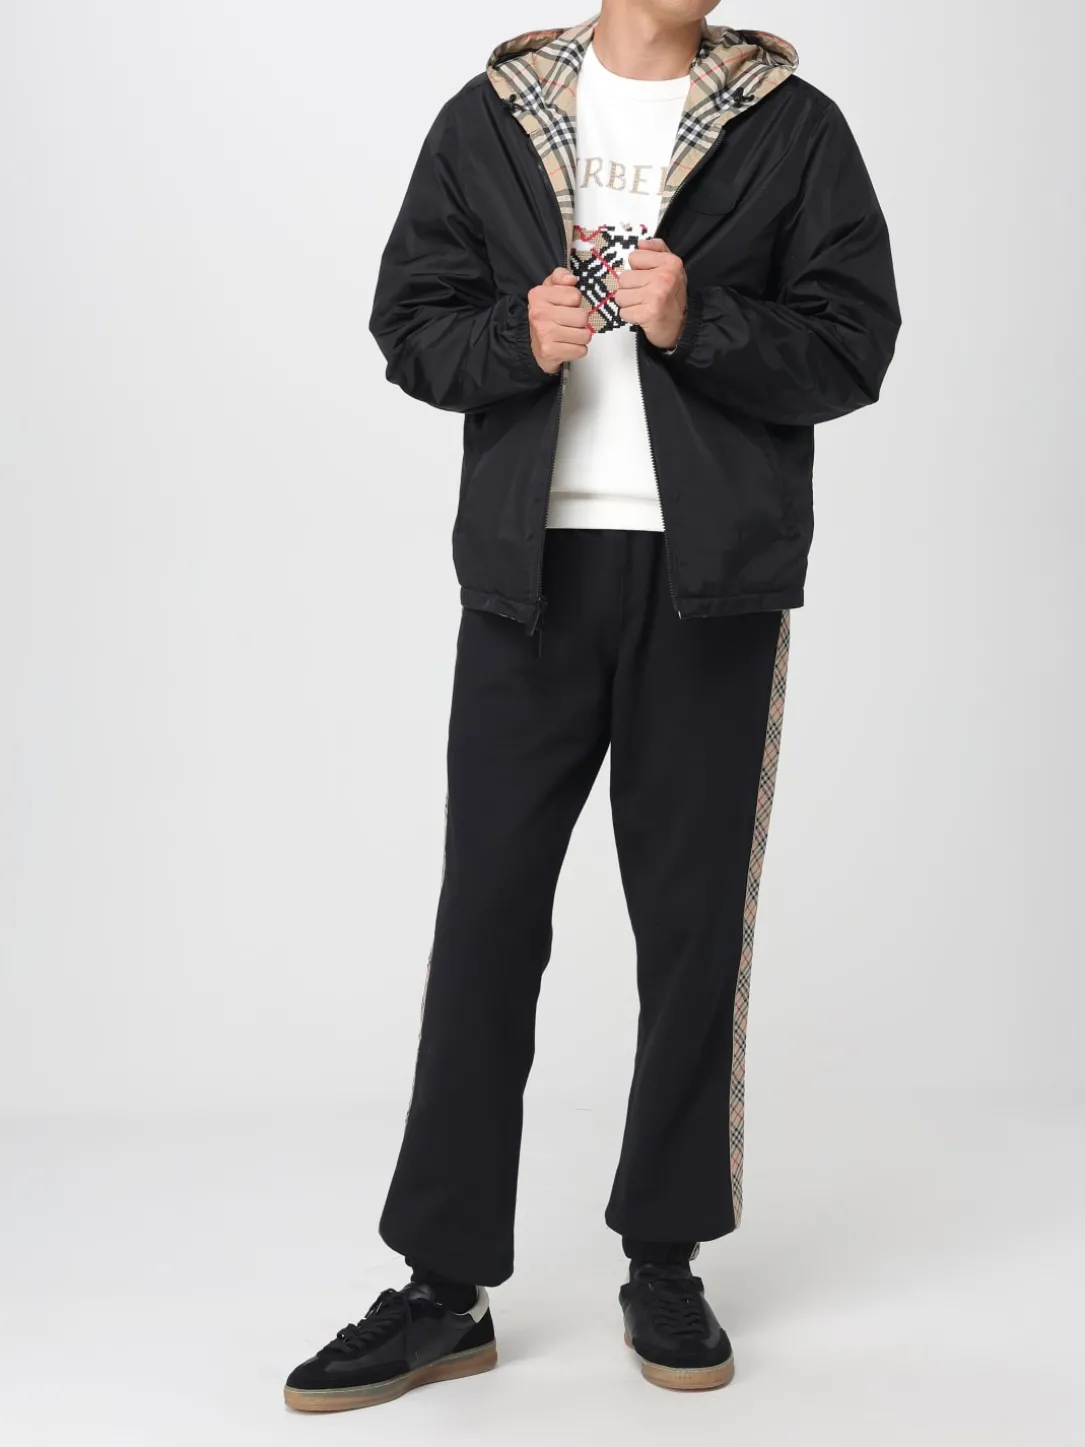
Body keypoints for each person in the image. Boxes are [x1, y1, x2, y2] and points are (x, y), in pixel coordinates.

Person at [284, 0, 899, 1411]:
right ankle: (443, 1287)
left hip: (710, 587)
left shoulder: (793, 130)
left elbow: (852, 347)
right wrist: (520, 335)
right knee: (486, 922)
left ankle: (664, 1257)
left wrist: (696, 320)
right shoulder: (492, 119)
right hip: (528, 582)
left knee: (691, 931)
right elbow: (412, 325)